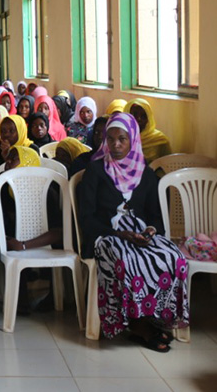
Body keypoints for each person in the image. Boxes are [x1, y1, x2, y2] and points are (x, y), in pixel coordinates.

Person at [76, 113, 187, 351]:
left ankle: (156, 317)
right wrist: (119, 235)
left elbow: (157, 216)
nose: (115, 145)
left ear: (133, 141)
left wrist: (149, 231)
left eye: (122, 139)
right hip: (105, 235)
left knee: (173, 257)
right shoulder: (96, 171)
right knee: (127, 259)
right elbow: (86, 218)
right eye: (111, 139)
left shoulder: (145, 174)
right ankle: (136, 324)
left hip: (139, 235)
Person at [0, 146, 64, 313]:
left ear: (27, 162)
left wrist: (24, 245)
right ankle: (20, 300)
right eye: (8, 158)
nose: (8, 162)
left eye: (13, 159)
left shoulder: (47, 193)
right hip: (15, 241)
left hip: (44, 240)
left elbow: (58, 233)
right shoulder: (5, 190)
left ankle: (54, 297)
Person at [125, 98, 172, 162]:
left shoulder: (159, 140)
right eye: (135, 115)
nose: (139, 119)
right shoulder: (120, 138)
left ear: (149, 118)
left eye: (143, 116)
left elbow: (169, 164)